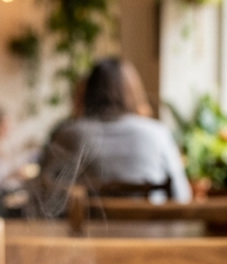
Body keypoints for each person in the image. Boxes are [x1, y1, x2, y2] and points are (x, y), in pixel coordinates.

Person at [39, 58, 191, 208]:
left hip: (85, 231)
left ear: (89, 91)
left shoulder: (67, 134)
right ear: (134, 92)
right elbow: (182, 196)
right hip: (151, 231)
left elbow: (41, 195)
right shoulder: (158, 134)